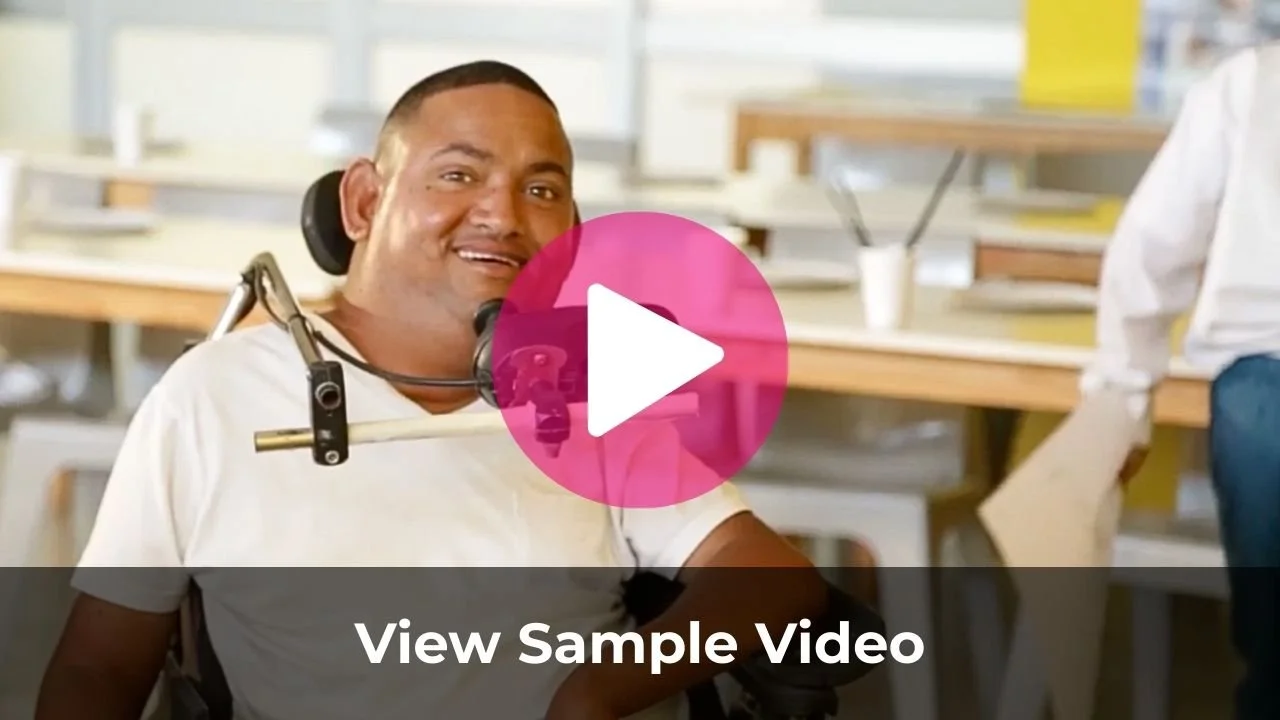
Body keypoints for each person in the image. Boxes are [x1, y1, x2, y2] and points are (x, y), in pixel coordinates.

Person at [34, 61, 827, 720]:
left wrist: (595, 694)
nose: (502, 215)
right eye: (458, 174)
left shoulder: (584, 393)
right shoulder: (214, 398)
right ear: (364, 201)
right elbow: (98, 671)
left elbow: (769, 575)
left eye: (541, 191)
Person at [1082, 43, 1280, 719]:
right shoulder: (1245, 83)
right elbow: (1150, 249)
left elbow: (1150, 247)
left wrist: (1124, 393)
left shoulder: (1250, 82)